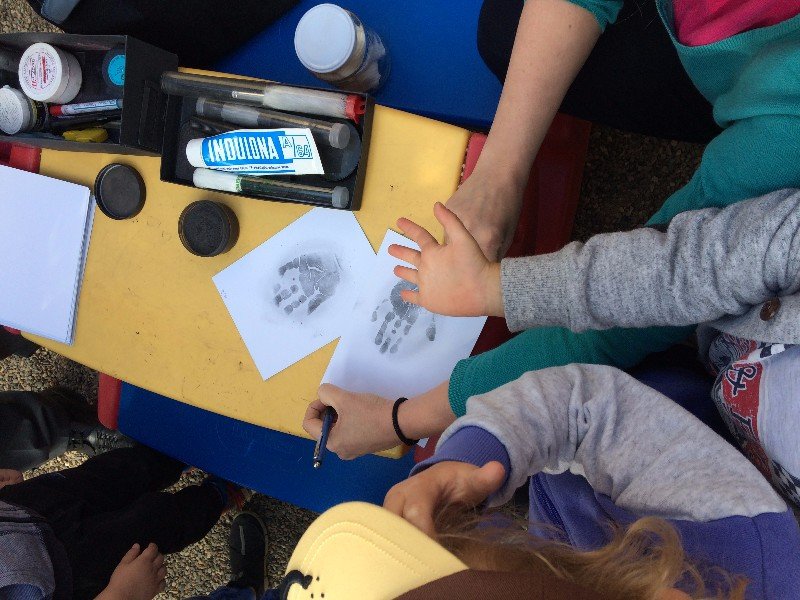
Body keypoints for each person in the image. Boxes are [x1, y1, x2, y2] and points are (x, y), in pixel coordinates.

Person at [305, 0, 800, 460]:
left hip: (769, 114)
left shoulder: (783, 152)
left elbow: (640, 301)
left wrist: (403, 418)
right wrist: (499, 173)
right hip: (748, 76)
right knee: (505, 29)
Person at [304, 188, 800, 506]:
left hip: (695, 446)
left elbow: (584, 402)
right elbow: (679, 273)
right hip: (708, 371)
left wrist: (405, 422)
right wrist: (492, 289)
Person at [380, 361, 800, 599]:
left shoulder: (538, 561)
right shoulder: (751, 542)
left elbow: (575, 406)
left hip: (579, 450)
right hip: (656, 411)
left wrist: (468, 457)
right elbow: (582, 405)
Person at [0, 445, 243, 599]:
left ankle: (182, 452)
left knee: (119, 470)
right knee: (159, 522)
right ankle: (219, 494)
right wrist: (121, 595)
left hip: (22, 507)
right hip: (68, 575)